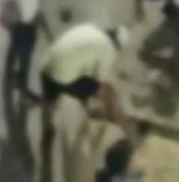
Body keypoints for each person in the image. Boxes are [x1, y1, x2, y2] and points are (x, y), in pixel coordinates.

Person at [38, 23, 135, 182]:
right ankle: (97, 114)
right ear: (117, 46)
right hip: (63, 76)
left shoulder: (91, 28)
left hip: (47, 65)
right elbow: (99, 83)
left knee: (50, 97)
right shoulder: (109, 50)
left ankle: (48, 128)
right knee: (101, 90)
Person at [2, 0, 52, 99]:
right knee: (26, 55)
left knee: (15, 43)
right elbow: (34, 12)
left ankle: (11, 64)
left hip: (12, 17)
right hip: (25, 26)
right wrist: (45, 28)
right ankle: (21, 83)